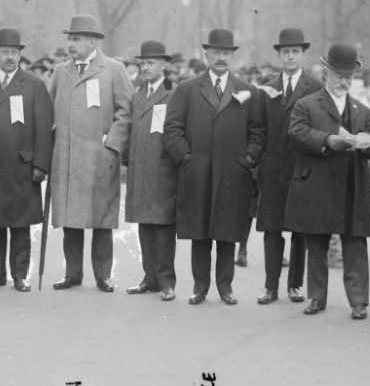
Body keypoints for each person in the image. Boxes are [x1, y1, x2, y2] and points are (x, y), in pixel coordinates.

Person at [163, 28, 265, 305]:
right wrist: (186, 158)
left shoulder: (247, 90)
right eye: (216, 53)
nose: (221, 58)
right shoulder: (187, 89)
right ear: (206, 55)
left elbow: (258, 133)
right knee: (200, 232)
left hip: (233, 174)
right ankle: (200, 287)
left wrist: (248, 159)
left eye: (226, 53)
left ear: (232, 57)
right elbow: (172, 130)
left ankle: (225, 287)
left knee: (227, 231)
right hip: (197, 172)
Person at [284, 43, 370, 319]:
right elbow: (296, 134)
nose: (344, 81)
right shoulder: (306, 105)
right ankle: (317, 297)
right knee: (316, 242)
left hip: (353, 185)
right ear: (326, 73)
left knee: (355, 243)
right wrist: (327, 139)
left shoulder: (362, 110)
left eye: (348, 76)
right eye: (339, 75)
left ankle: (359, 301)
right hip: (317, 184)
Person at [48, 15, 134, 292]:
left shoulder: (114, 69)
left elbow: (126, 110)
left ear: (92, 42)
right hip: (68, 158)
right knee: (70, 219)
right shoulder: (60, 71)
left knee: (102, 218)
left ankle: (103, 275)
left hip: (100, 158)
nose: (70, 44)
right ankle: (73, 274)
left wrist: (112, 145)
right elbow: (48, 109)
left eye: (76, 39)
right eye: (69, 39)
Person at [0, 28, 53, 292]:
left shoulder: (34, 86)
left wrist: (40, 165)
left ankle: (20, 276)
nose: (10, 58)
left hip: (21, 167)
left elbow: (43, 129)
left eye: (14, 53)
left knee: (20, 225)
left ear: (19, 55)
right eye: (5, 52)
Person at [256, 28, 323, 305]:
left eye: (296, 51)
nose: (291, 56)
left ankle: (295, 285)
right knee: (271, 229)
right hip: (273, 169)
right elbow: (259, 129)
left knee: (299, 230)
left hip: (302, 168)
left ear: (304, 55)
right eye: (286, 52)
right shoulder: (267, 88)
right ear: (279, 56)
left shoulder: (316, 88)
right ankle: (270, 287)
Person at [123, 40, 179, 301]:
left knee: (164, 229)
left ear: (164, 65)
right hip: (140, 171)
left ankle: (167, 281)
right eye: (143, 63)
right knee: (145, 226)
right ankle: (150, 278)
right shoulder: (137, 96)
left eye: (151, 63)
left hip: (164, 171)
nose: (145, 67)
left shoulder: (175, 93)